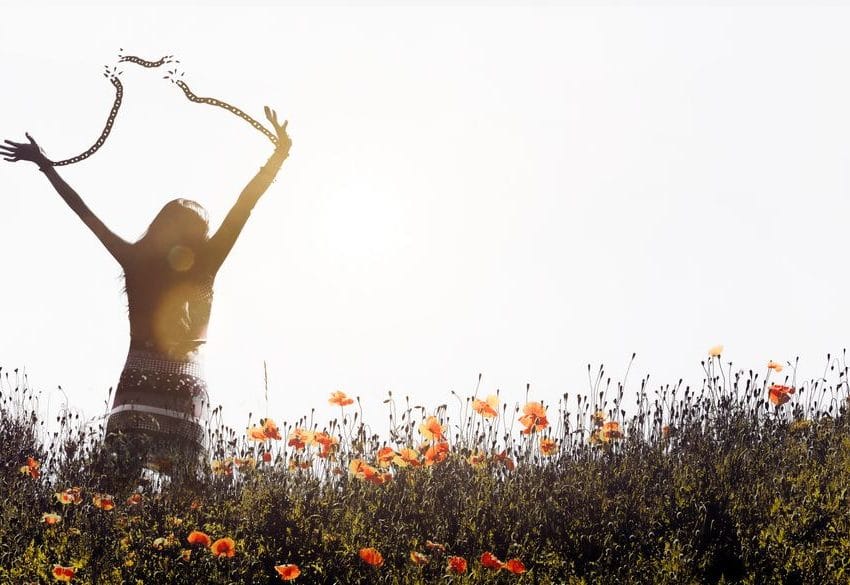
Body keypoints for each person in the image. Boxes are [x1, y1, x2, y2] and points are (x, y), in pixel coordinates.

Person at [1, 106, 291, 477]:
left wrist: (45, 165)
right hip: (187, 382)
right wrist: (279, 154)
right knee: (188, 491)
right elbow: (243, 206)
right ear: (199, 234)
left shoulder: (135, 260)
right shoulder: (206, 264)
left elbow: (84, 212)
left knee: (117, 484)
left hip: (137, 379)